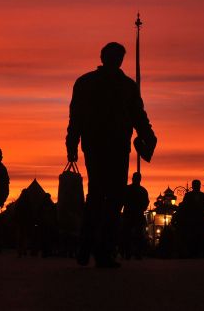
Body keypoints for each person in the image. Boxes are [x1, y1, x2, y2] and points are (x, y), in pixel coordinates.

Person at [66, 42, 157, 268]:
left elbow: (75, 117)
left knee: (99, 195)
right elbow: (138, 116)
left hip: (100, 145)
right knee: (110, 197)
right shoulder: (123, 85)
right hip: (111, 145)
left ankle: (87, 249)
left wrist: (72, 144)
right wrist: (149, 136)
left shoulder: (87, 83)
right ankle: (100, 250)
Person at [175, 179, 204, 258]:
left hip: (196, 220)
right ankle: (195, 251)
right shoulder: (197, 195)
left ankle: (195, 252)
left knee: (195, 236)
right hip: (194, 220)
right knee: (194, 236)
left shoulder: (196, 195)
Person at [120, 172, 149, 259]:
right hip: (137, 214)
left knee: (127, 234)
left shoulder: (127, 189)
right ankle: (137, 253)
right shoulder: (143, 190)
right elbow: (146, 203)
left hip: (129, 214)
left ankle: (128, 253)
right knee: (138, 235)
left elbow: (122, 200)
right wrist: (141, 209)